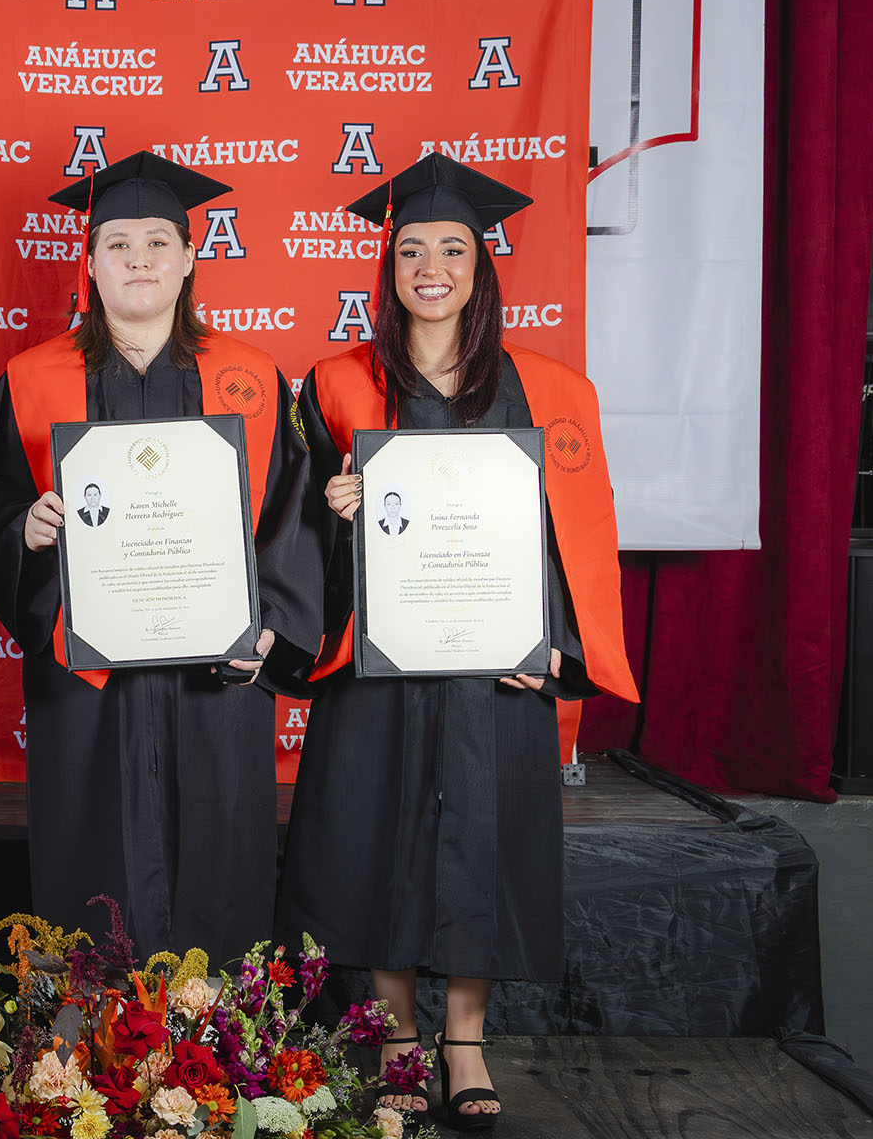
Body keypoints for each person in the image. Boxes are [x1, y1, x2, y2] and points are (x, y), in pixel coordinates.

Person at [275, 154, 639, 1131]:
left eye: (451, 248)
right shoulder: (334, 382)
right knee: (377, 835)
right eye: (410, 249)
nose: (430, 265)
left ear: (482, 265)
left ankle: (464, 1042)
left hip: (493, 666)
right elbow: (290, 529)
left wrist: (555, 649)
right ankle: (399, 1038)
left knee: (481, 841)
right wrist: (334, 509)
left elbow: (580, 529)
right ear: (386, 266)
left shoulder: (553, 390)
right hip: (378, 659)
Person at [0, 152, 326, 961]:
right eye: (118, 242)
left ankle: (217, 1039)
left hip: (217, 683)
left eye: (158, 241)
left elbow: (295, 518)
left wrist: (269, 627)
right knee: (89, 872)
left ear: (191, 258)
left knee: (219, 863)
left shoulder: (253, 380)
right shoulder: (30, 381)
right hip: (86, 684)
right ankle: (88, 1047)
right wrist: (20, 530)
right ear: (89, 262)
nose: (138, 258)